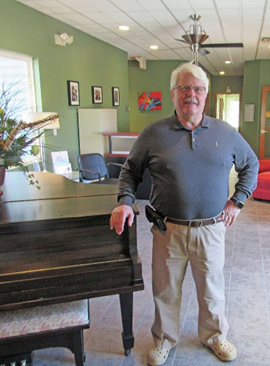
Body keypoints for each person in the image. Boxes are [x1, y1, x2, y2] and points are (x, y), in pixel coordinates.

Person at [110, 61, 259, 366]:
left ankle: (215, 336)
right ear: (173, 94)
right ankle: (164, 340)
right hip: (168, 230)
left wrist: (237, 201)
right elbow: (130, 172)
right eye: (184, 88)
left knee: (212, 290)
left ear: (206, 94)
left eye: (197, 88)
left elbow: (251, 165)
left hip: (211, 228)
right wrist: (125, 201)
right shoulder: (154, 133)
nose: (191, 94)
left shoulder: (226, 132)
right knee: (165, 291)